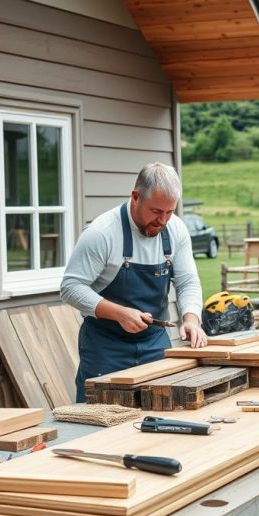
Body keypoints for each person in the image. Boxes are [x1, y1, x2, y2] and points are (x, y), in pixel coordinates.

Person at [61, 162, 207, 402]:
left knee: (158, 413)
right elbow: (70, 288)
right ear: (136, 197)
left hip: (155, 341)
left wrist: (191, 319)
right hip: (106, 346)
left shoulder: (176, 230)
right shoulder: (102, 233)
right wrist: (119, 313)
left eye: (169, 212)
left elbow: (188, 281)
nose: (162, 220)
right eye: (156, 211)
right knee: (97, 420)